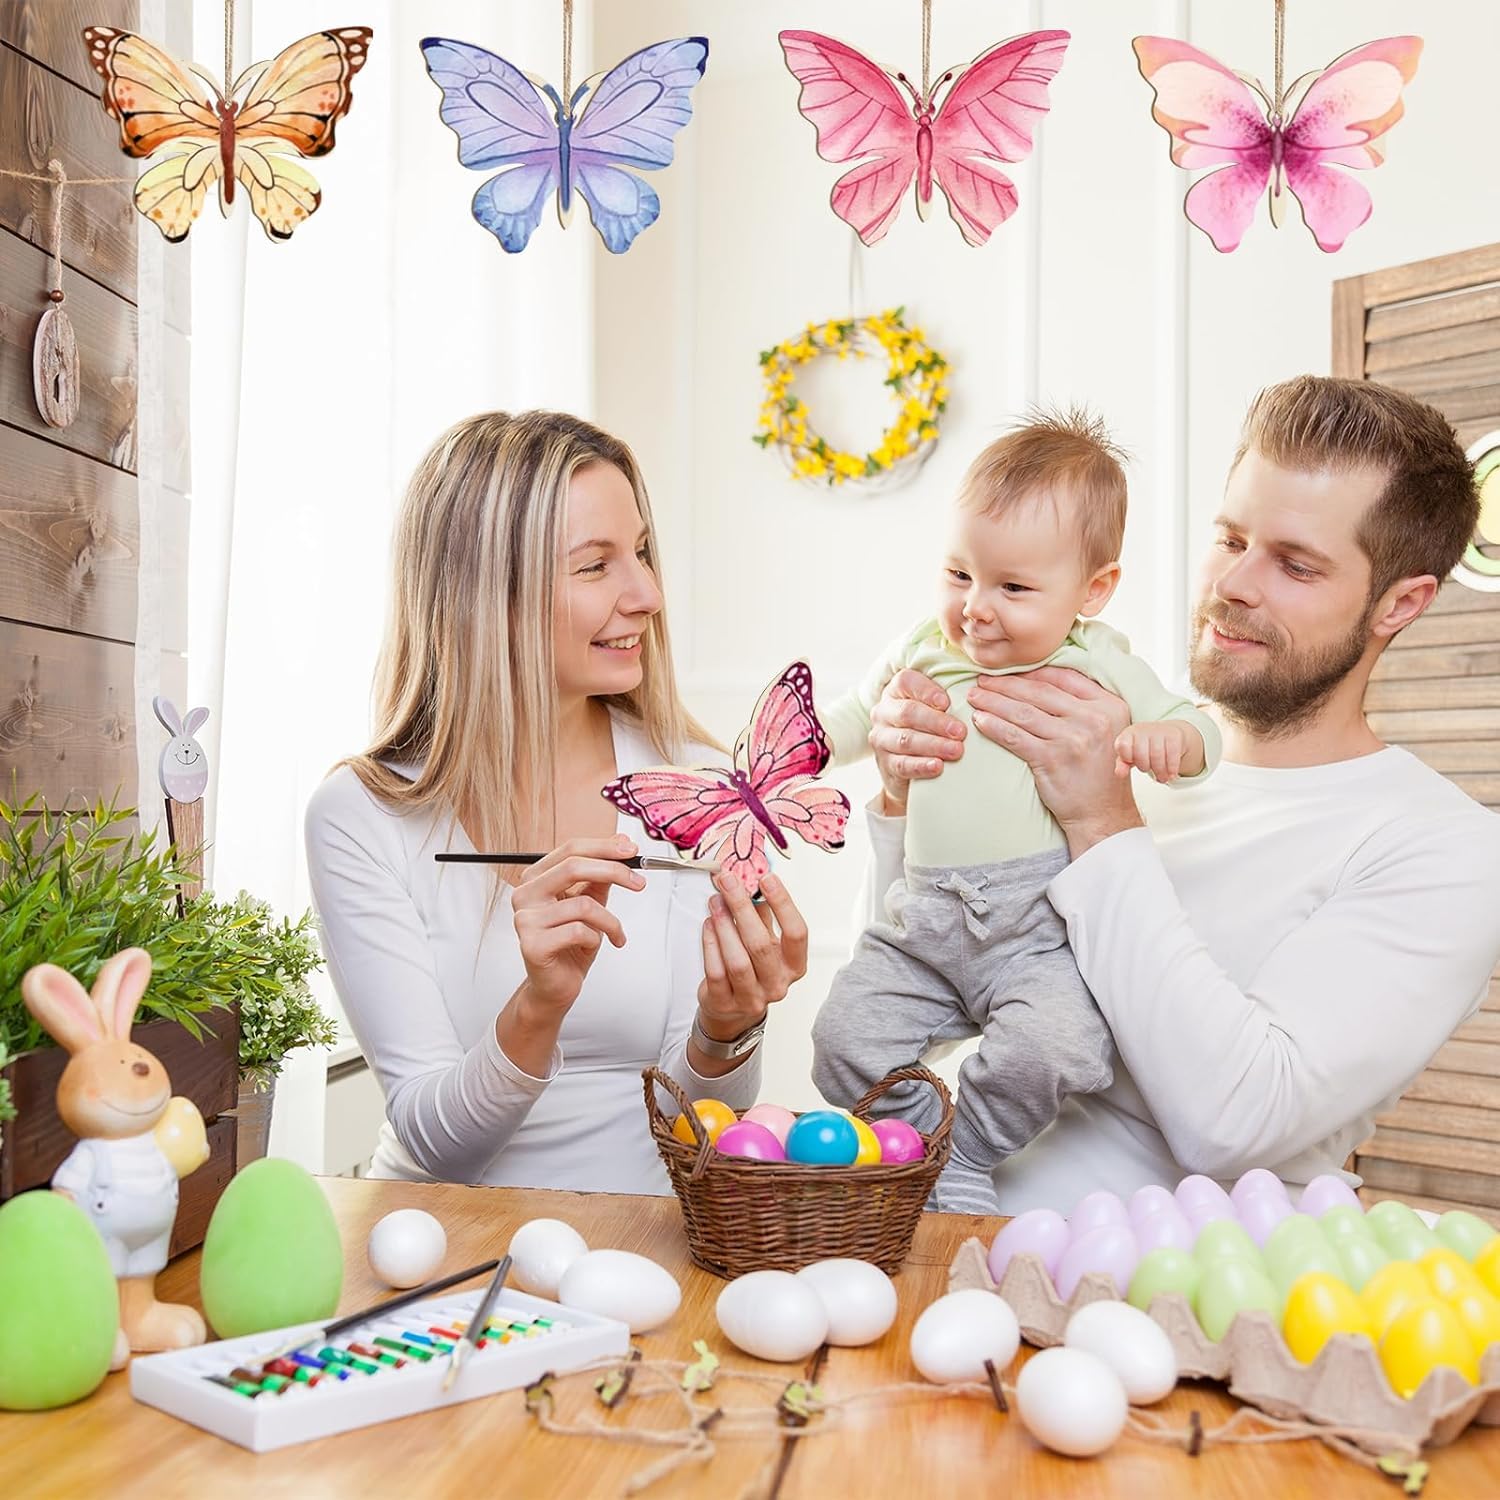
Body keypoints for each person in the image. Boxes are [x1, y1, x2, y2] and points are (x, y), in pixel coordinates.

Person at [861, 376, 1500, 1213]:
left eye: (1296, 565)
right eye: (1231, 538)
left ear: (1400, 603)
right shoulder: (1098, 732)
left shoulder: (1443, 850)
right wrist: (903, 799)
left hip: (1182, 1292)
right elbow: (927, 1006)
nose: (1237, 584)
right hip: (955, 1225)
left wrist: (1100, 820)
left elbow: (1234, 1122)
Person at [304, 411, 808, 1193]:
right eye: (594, 566)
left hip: (652, 1235)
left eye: (640, 552)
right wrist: (539, 1003)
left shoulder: (699, 787)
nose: (648, 593)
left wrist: (727, 1025)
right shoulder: (362, 816)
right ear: (485, 598)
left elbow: (701, 1120)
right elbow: (438, 1150)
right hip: (444, 1243)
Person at [811, 411, 1220, 1213]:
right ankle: (921, 1138)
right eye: (960, 575)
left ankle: (966, 1155)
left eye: (1014, 588)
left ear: (1091, 590)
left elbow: (1202, 729)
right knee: (841, 1043)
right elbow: (856, 719)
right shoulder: (926, 643)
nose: (976, 609)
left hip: (1034, 932)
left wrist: (1173, 738)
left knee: (1062, 1047)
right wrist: (795, 750)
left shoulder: (1095, 658)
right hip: (922, 925)